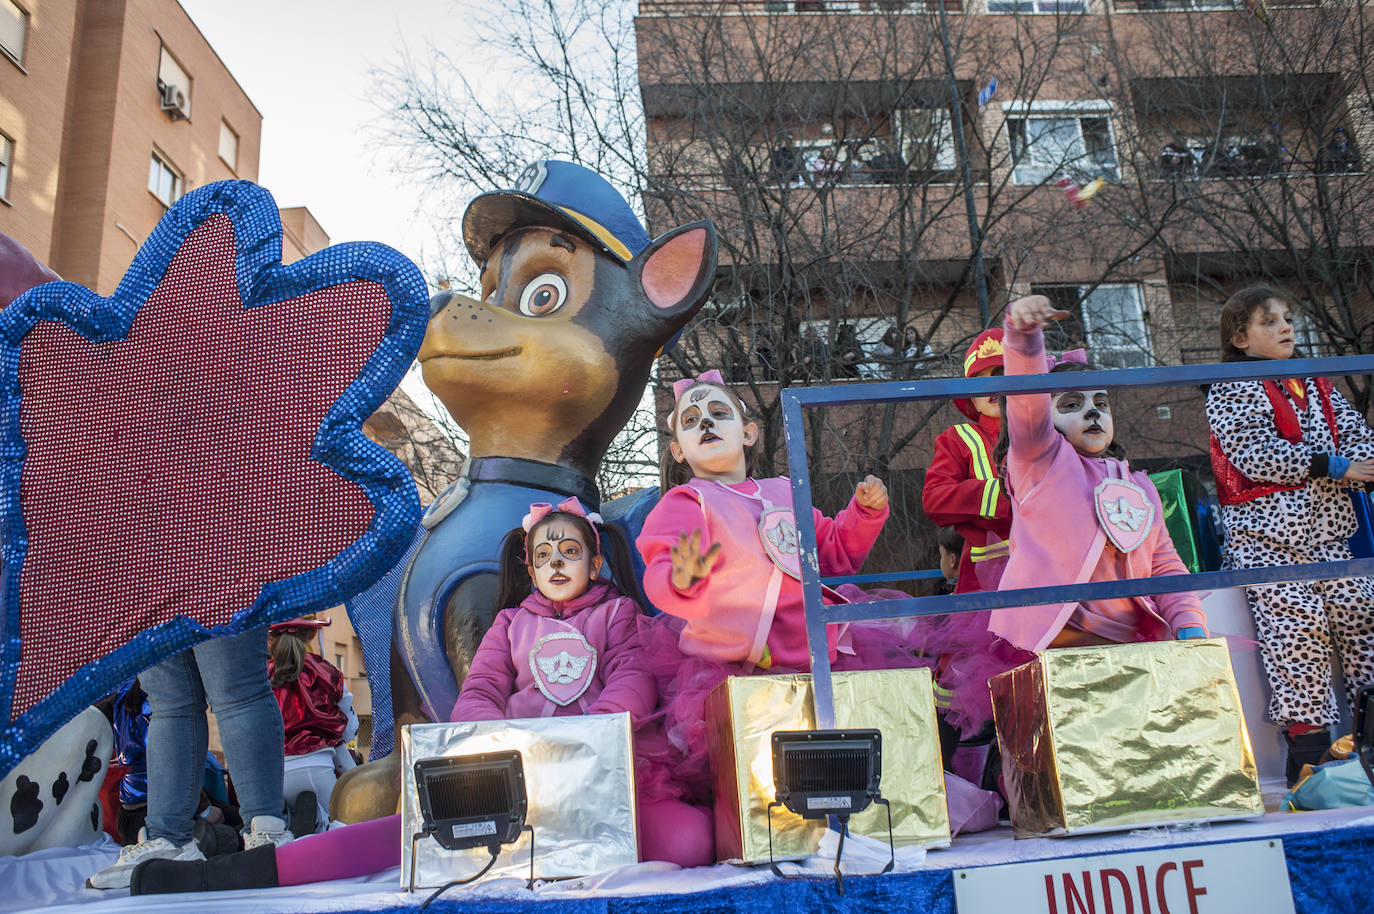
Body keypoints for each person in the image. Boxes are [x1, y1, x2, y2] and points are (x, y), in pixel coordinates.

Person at [129, 498, 712, 896]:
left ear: (596, 560)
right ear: (529, 568)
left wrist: (581, 738)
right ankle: (231, 873)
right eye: (543, 556)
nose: (556, 564)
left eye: (570, 553)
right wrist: (495, 740)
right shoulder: (509, 624)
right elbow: (481, 689)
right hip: (515, 779)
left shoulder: (620, 615)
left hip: (600, 776)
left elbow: (632, 682)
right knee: (397, 836)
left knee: (690, 840)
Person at [637, 369, 999, 832]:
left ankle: (887, 814)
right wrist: (683, 577)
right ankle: (783, 830)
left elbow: (832, 555)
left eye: (718, 413)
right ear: (677, 450)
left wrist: (863, 513)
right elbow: (662, 572)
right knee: (772, 773)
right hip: (744, 659)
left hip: (816, 646)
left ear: (748, 433)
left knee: (850, 739)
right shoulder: (687, 501)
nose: (705, 422)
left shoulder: (783, 492)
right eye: (690, 420)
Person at [1206, 285, 1374, 784]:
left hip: (1328, 537)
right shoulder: (1229, 386)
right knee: (1297, 630)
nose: (1285, 328)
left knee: (1363, 612)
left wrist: (1364, 464)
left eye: (1288, 319)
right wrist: (1336, 466)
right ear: (1240, 338)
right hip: (1267, 543)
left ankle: (1368, 740)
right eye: (1269, 321)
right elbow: (1254, 454)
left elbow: (1355, 434)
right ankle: (1309, 756)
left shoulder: (1315, 381)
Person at [989, 295, 1210, 652]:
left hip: (1127, 644)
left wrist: (1188, 621)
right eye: (1073, 404)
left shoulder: (1139, 485)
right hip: (1055, 642)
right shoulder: (1040, 465)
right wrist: (1023, 335)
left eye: (1101, 403)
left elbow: (1164, 562)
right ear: (1047, 417)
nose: (1093, 413)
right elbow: (1026, 402)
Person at [88, 627, 290, 890]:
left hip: (214, 584)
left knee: (236, 687)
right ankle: (168, 841)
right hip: (148, 587)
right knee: (168, 701)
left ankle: (268, 834)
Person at [268, 617, 358, 837]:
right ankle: (319, 823)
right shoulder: (327, 671)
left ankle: (293, 827)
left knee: (281, 841)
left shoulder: (258, 675)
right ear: (310, 634)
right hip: (318, 765)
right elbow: (349, 728)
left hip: (273, 773)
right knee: (343, 832)